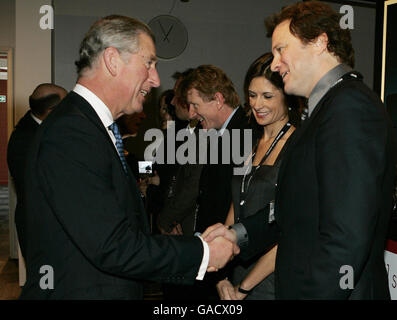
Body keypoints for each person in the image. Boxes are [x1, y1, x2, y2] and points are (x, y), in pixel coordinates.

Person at [19, 15, 236, 300]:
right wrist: (203, 252)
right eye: (149, 63)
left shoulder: (87, 126)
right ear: (112, 60)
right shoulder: (72, 132)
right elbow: (112, 246)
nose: (156, 78)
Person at [204, 1, 397, 299]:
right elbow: (295, 206)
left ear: (320, 42)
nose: (275, 63)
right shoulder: (325, 110)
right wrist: (237, 234)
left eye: (282, 49)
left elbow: (346, 237)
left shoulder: (349, 108)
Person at [216, 52, 301, 300]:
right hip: (238, 272)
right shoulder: (249, 143)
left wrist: (244, 288)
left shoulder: (298, 147)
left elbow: (288, 228)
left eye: (267, 96)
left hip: (272, 280)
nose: (257, 105)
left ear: (287, 97)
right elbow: (236, 205)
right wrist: (221, 274)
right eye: (252, 96)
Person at [183, 64, 252, 300]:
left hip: (231, 266)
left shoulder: (246, 134)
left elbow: (240, 205)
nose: (191, 113)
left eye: (195, 105)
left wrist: (222, 275)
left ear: (218, 99)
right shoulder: (217, 133)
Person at [7, 83, 67, 258]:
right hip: (40, 226)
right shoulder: (26, 141)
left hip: (48, 224)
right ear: (52, 110)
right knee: (46, 283)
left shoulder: (42, 128)